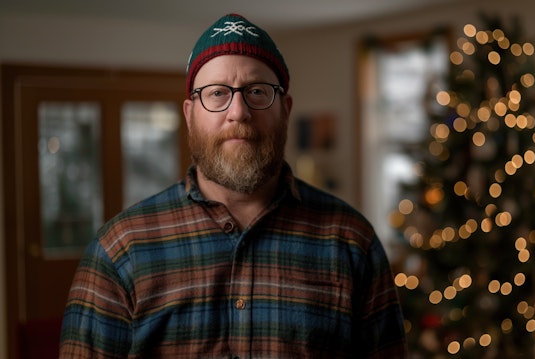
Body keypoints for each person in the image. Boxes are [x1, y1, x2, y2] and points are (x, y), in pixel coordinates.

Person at [59, 13, 407, 358]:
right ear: (189, 113)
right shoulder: (121, 251)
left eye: (257, 91)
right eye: (216, 93)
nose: (238, 111)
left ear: (285, 110)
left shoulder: (351, 241)